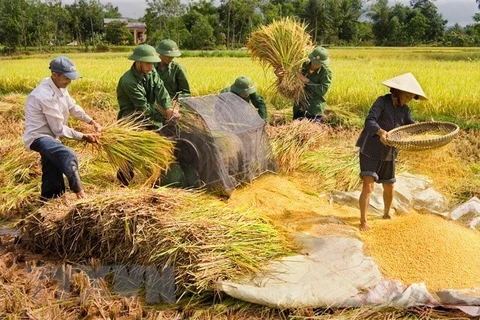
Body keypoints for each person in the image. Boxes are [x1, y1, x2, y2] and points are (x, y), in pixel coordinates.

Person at [23, 56, 102, 200]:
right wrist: (83, 136)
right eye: (67, 78)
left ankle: (50, 198)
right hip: (39, 136)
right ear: (55, 75)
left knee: (52, 167)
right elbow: (59, 129)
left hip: (52, 136)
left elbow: (72, 107)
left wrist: (92, 122)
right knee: (67, 155)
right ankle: (80, 194)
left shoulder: (60, 87)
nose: (69, 81)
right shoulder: (44, 95)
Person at [356, 73, 427, 231]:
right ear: (397, 91)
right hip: (371, 149)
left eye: (411, 97)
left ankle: (386, 214)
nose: (408, 99)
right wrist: (381, 132)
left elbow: (411, 127)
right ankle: (363, 221)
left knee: (389, 186)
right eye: (406, 95)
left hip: (389, 151)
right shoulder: (382, 102)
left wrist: (425, 129)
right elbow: (369, 121)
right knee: (368, 186)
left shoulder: (405, 110)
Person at [116, 44, 180, 185]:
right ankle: (123, 181)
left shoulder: (151, 72)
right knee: (131, 152)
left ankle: (154, 180)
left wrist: (168, 108)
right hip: (132, 120)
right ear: (138, 62)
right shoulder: (128, 81)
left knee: (154, 149)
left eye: (152, 63)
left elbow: (161, 90)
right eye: (148, 63)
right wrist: (164, 117)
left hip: (148, 116)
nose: (151, 66)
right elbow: (143, 107)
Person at [275, 46, 332, 122]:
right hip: (299, 108)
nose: (315, 64)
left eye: (319, 63)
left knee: (311, 132)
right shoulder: (302, 65)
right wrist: (281, 76)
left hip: (314, 110)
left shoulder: (326, 73)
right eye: (314, 61)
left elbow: (322, 90)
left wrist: (306, 80)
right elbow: (290, 79)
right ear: (311, 58)